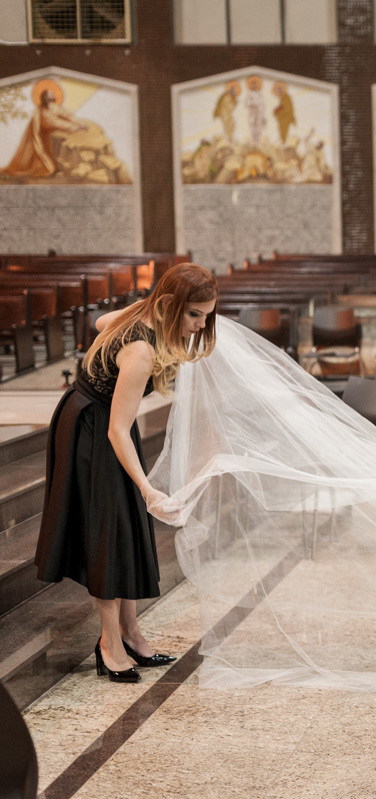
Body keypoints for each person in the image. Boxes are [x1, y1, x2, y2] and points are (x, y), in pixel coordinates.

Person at [35, 265, 218, 683]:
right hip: (93, 429)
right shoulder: (141, 351)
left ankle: (131, 632)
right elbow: (118, 429)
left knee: (125, 524)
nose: (200, 325)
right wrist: (148, 487)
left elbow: (101, 322)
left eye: (207, 316)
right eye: (194, 315)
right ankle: (109, 644)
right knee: (107, 529)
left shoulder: (147, 312)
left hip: (102, 419)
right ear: (170, 306)